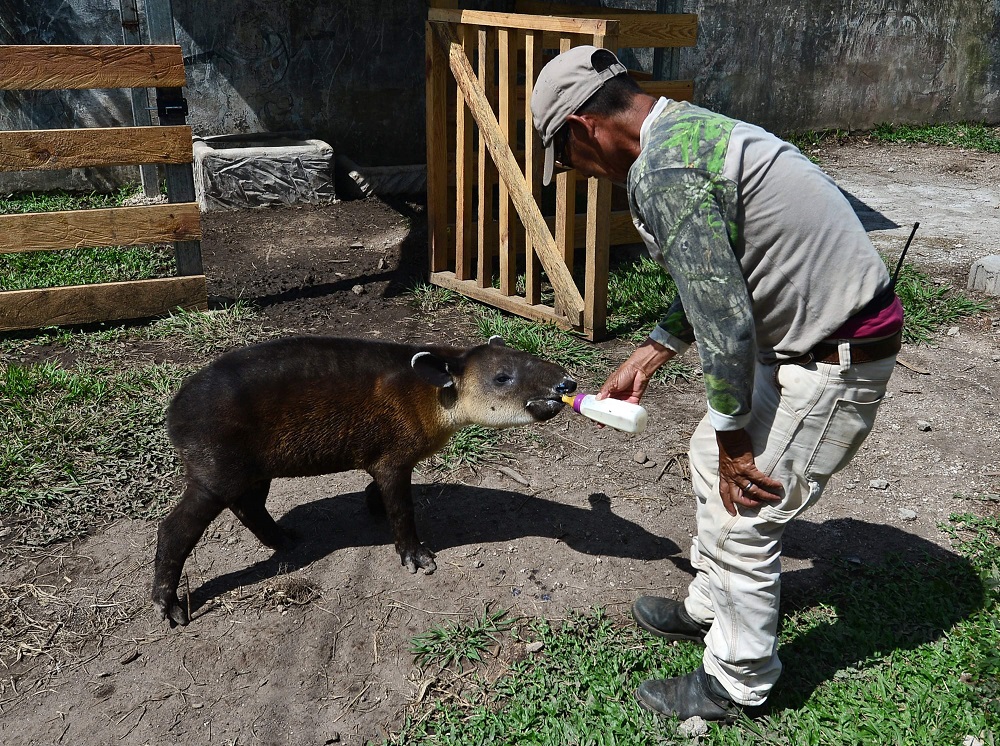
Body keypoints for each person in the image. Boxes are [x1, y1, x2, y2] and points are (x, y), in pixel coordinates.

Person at [530, 46, 903, 721]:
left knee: (743, 509)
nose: (579, 173)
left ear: (584, 128)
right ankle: (711, 608)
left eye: (567, 159)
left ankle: (739, 682)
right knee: (708, 455)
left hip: (834, 355)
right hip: (799, 339)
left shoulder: (663, 169)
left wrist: (740, 445)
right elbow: (719, 269)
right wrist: (653, 351)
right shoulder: (682, 128)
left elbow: (727, 323)